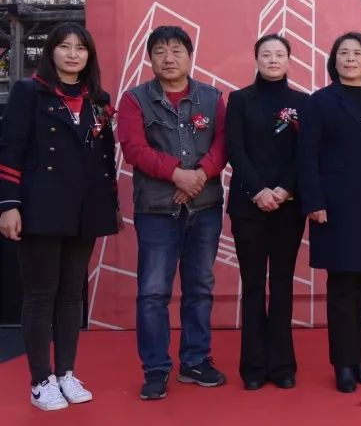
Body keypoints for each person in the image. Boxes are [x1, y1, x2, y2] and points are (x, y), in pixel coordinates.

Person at [0, 23, 120, 411]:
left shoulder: (98, 100)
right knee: (41, 295)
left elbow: (104, 156)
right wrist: (8, 204)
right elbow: (10, 148)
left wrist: (108, 206)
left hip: (85, 209)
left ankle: (66, 372)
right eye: (64, 47)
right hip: (40, 207)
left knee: (71, 294)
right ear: (50, 51)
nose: (72, 54)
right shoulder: (29, 92)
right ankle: (41, 381)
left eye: (80, 48)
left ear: (89, 56)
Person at [117, 25, 228, 400]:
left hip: (205, 207)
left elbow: (223, 143)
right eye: (160, 51)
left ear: (190, 56)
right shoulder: (135, 100)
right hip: (156, 210)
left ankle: (195, 361)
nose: (169, 58)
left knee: (200, 287)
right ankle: (156, 368)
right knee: (153, 292)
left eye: (177, 50)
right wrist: (177, 174)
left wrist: (200, 175)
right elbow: (134, 148)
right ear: (150, 58)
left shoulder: (212, 98)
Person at [298, 32, 361, 393]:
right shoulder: (319, 102)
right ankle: (342, 364)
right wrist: (314, 202)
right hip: (334, 206)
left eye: (357, 53)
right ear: (334, 61)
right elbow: (306, 156)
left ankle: (358, 359)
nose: (351, 58)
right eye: (344, 53)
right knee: (340, 285)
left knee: (360, 283)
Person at [225, 34, 309, 391]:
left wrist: (285, 189)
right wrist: (258, 190)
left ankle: (283, 365)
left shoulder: (303, 102)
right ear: (256, 59)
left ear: (289, 60)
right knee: (254, 284)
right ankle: (253, 366)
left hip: (288, 207)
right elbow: (234, 148)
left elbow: (305, 152)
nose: (273, 60)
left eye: (279, 54)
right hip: (249, 206)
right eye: (266, 54)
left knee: (283, 283)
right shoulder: (239, 99)